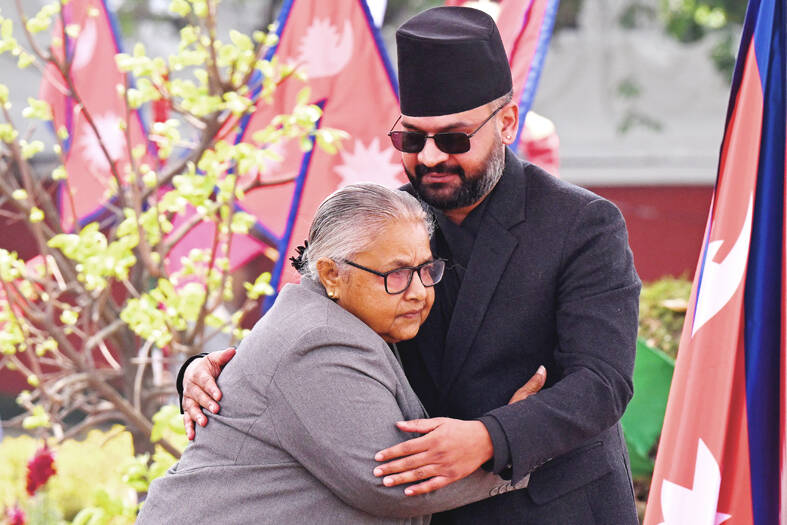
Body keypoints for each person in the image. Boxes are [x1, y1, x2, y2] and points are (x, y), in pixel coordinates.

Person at [180, 6, 641, 524]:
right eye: (411, 139)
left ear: (507, 123)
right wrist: (208, 371)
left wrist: (489, 437)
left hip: (557, 507)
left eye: (453, 139)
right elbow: (310, 321)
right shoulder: (383, 223)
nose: (429, 158)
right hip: (428, 509)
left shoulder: (583, 224)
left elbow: (602, 381)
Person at [139, 184, 539, 524]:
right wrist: (516, 443)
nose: (419, 290)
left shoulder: (348, 316)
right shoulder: (318, 340)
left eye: (426, 269)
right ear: (332, 274)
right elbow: (393, 482)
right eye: (397, 273)